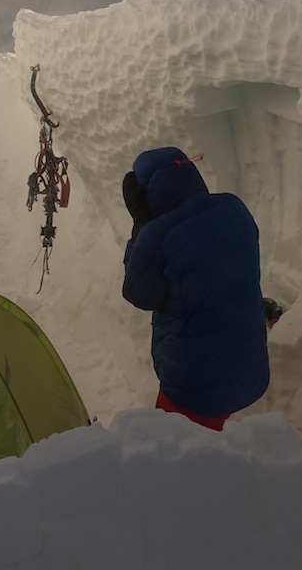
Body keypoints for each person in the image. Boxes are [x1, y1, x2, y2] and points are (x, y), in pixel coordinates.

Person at [121, 146, 270, 430]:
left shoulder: (158, 235)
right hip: (250, 364)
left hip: (196, 382)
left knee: (177, 452)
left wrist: (140, 228)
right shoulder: (234, 207)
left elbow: (139, 294)